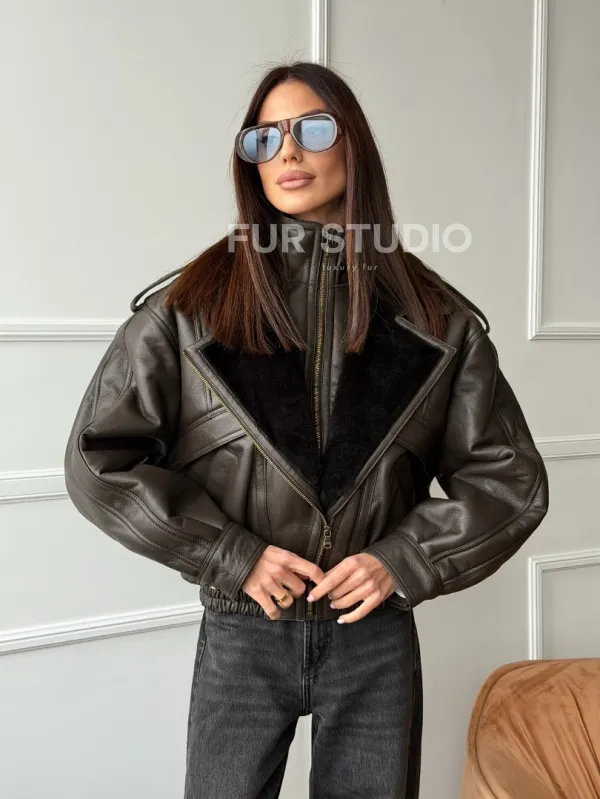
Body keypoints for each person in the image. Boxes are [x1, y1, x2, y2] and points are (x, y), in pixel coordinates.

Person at [64, 61, 550, 799]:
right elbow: (99, 460)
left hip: (373, 635)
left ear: (354, 144)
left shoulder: (437, 320)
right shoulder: (188, 309)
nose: (286, 151)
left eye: (312, 129)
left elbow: (508, 479)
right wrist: (230, 555)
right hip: (243, 626)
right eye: (264, 137)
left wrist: (402, 560)